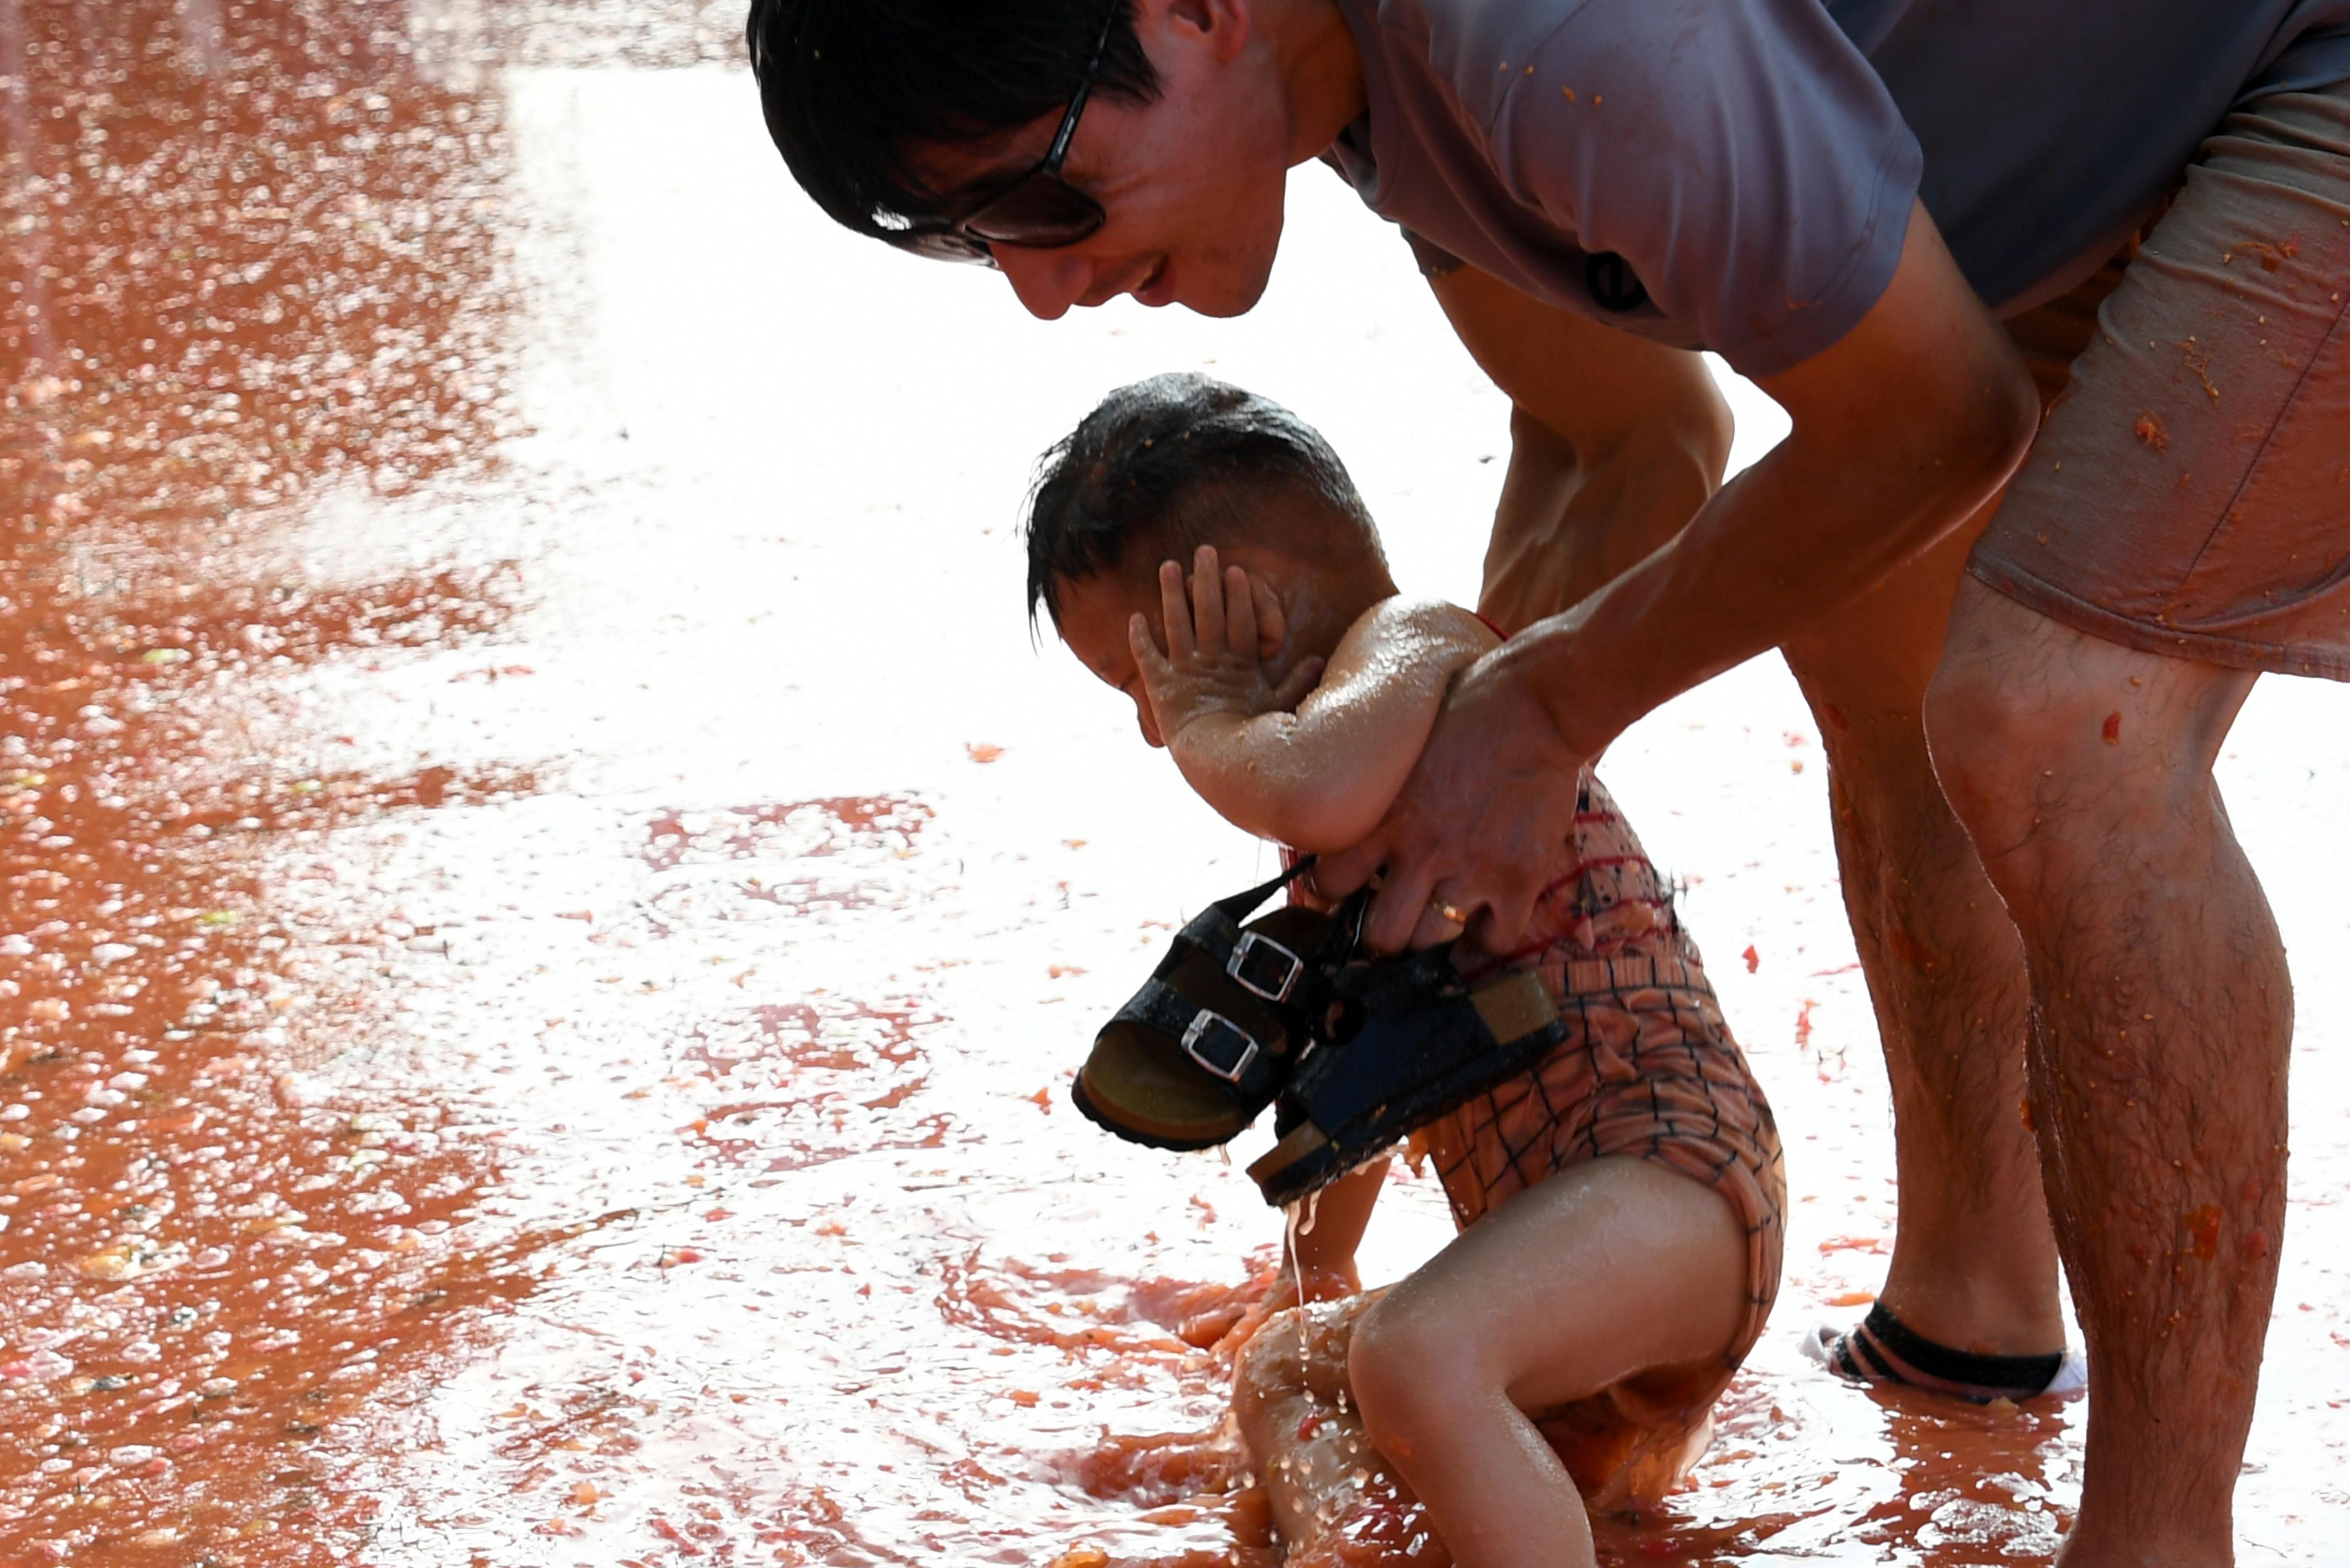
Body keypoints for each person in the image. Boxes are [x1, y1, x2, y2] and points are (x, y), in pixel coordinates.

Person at [749, 1, 2350, 1557]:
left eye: (1042, 191)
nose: (1042, 288)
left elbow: (1939, 414)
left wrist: (1520, 713)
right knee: (1875, 615)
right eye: (974, 238)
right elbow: (1620, 429)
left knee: (2050, 722)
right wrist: (1433, 807)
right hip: (2088, 158)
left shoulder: (1543, 40)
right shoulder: (1362, 90)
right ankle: (1975, 1324)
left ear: (1194, 9)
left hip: (2296, 71)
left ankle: (2157, 1542)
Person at [1025, 373, 1785, 1567]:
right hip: (1574, 1250)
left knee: (1414, 1356)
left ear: (1252, 612)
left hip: (1669, 1186)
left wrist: (1215, 716)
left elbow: (1306, 780)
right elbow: (1363, 1073)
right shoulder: (1339, 826)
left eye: (1144, 681)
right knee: (1292, 1370)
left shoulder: (1421, 644)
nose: (1154, 728)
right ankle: (1355, 1553)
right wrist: (1317, 1265)